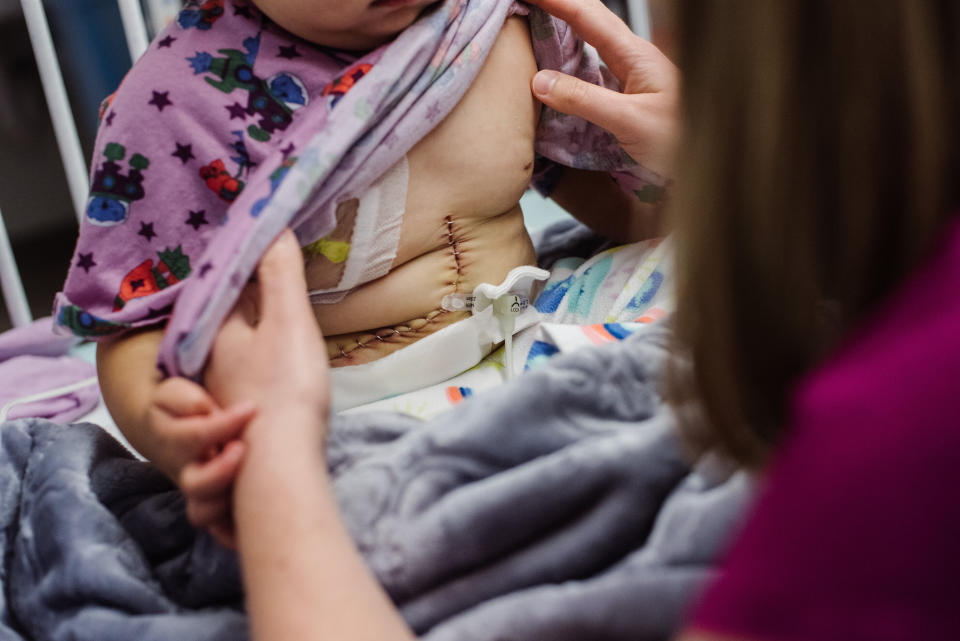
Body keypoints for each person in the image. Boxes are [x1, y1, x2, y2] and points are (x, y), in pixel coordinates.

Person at [205, 0, 960, 638]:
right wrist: (708, 173)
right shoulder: (189, 106)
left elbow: (622, 208)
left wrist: (274, 464)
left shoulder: (883, 444)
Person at [58, 0, 662, 545]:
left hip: (540, 325)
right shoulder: (183, 106)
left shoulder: (505, 22)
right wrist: (168, 431)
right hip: (343, 408)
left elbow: (619, 195)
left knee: (724, 304)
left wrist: (685, 166)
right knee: (366, 531)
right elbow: (135, 326)